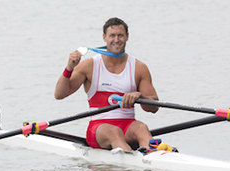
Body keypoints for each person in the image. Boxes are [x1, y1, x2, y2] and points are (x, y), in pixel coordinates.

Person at [55, 17, 169, 152]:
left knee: (142, 128)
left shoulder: (139, 67)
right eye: (112, 36)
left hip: (128, 126)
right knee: (114, 132)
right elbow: (59, 94)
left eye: (120, 35)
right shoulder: (89, 66)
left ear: (127, 37)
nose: (116, 40)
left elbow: (153, 108)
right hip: (99, 128)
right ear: (104, 37)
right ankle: (132, 163)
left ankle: (153, 158)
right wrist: (69, 68)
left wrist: (140, 96)